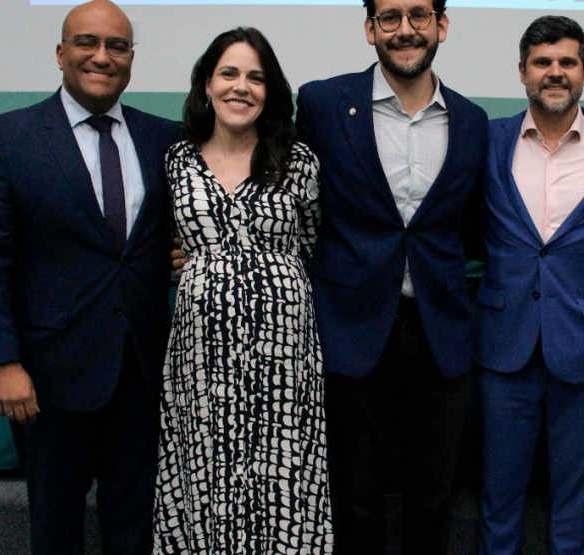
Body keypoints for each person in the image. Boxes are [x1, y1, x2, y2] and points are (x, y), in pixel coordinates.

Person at [0, 1, 181, 553]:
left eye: (117, 46)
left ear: (132, 60)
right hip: (47, 378)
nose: (101, 56)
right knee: (55, 529)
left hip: (143, 372)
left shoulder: (166, 139)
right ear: (61, 53)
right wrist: (3, 361)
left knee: (136, 526)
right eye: (86, 43)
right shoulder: (6, 137)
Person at [296, 0, 487, 552]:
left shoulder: (472, 121)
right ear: (370, 28)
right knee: (355, 496)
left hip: (440, 334)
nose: (405, 29)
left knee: (434, 497)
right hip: (351, 330)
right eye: (390, 17)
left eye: (419, 15)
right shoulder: (324, 103)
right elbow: (285, 192)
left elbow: (474, 226)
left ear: (441, 26)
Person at [152, 28, 332, 554]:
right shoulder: (177, 162)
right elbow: (161, 240)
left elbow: (314, 245)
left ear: (270, 90)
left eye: (256, 77)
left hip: (283, 364)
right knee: (202, 475)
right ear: (207, 83)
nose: (241, 87)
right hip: (200, 364)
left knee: (282, 483)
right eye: (229, 73)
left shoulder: (299, 161)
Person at [474, 16, 584, 555]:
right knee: (497, 497)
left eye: (567, 62)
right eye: (543, 63)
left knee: (577, 500)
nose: (555, 73)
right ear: (522, 72)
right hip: (504, 344)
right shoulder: (486, 140)